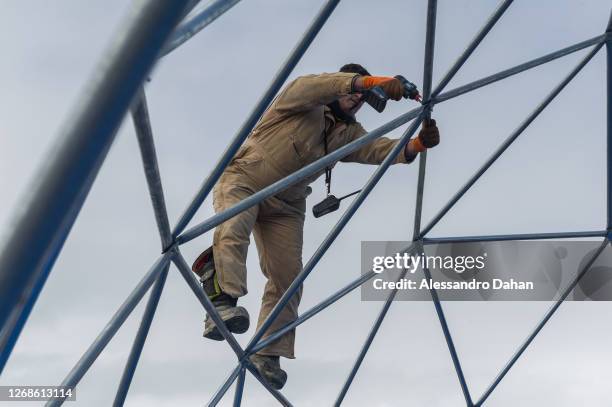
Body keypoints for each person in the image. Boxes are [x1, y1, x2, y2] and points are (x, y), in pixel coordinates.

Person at [191, 63, 440, 389]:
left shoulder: (347, 134)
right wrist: (369, 82)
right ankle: (221, 301)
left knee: (288, 276)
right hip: (247, 178)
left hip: (286, 206)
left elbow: (378, 149)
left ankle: (267, 351)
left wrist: (418, 145)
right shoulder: (302, 102)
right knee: (234, 226)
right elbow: (314, 86)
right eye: (355, 93)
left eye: (363, 97)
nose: (358, 100)